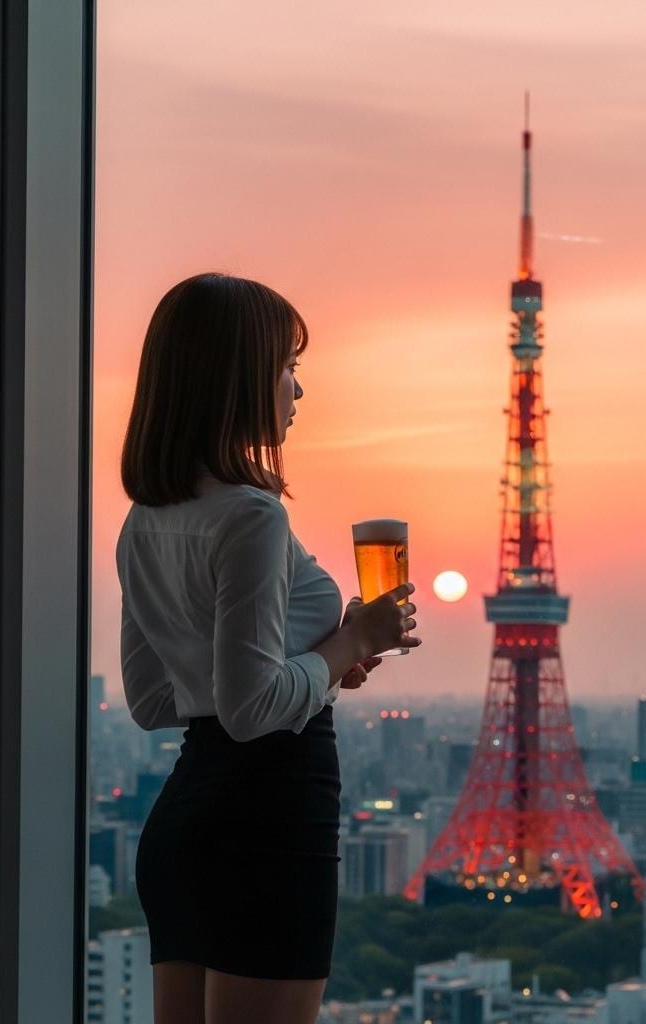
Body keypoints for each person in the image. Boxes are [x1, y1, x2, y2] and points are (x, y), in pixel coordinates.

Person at [115, 272, 421, 1024]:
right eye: (290, 368)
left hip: (185, 822)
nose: (298, 391)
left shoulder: (144, 520)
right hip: (270, 819)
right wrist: (355, 636)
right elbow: (253, 711)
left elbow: (155, 699)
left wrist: (314, 671)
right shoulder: (254, 516)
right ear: (239, 378)